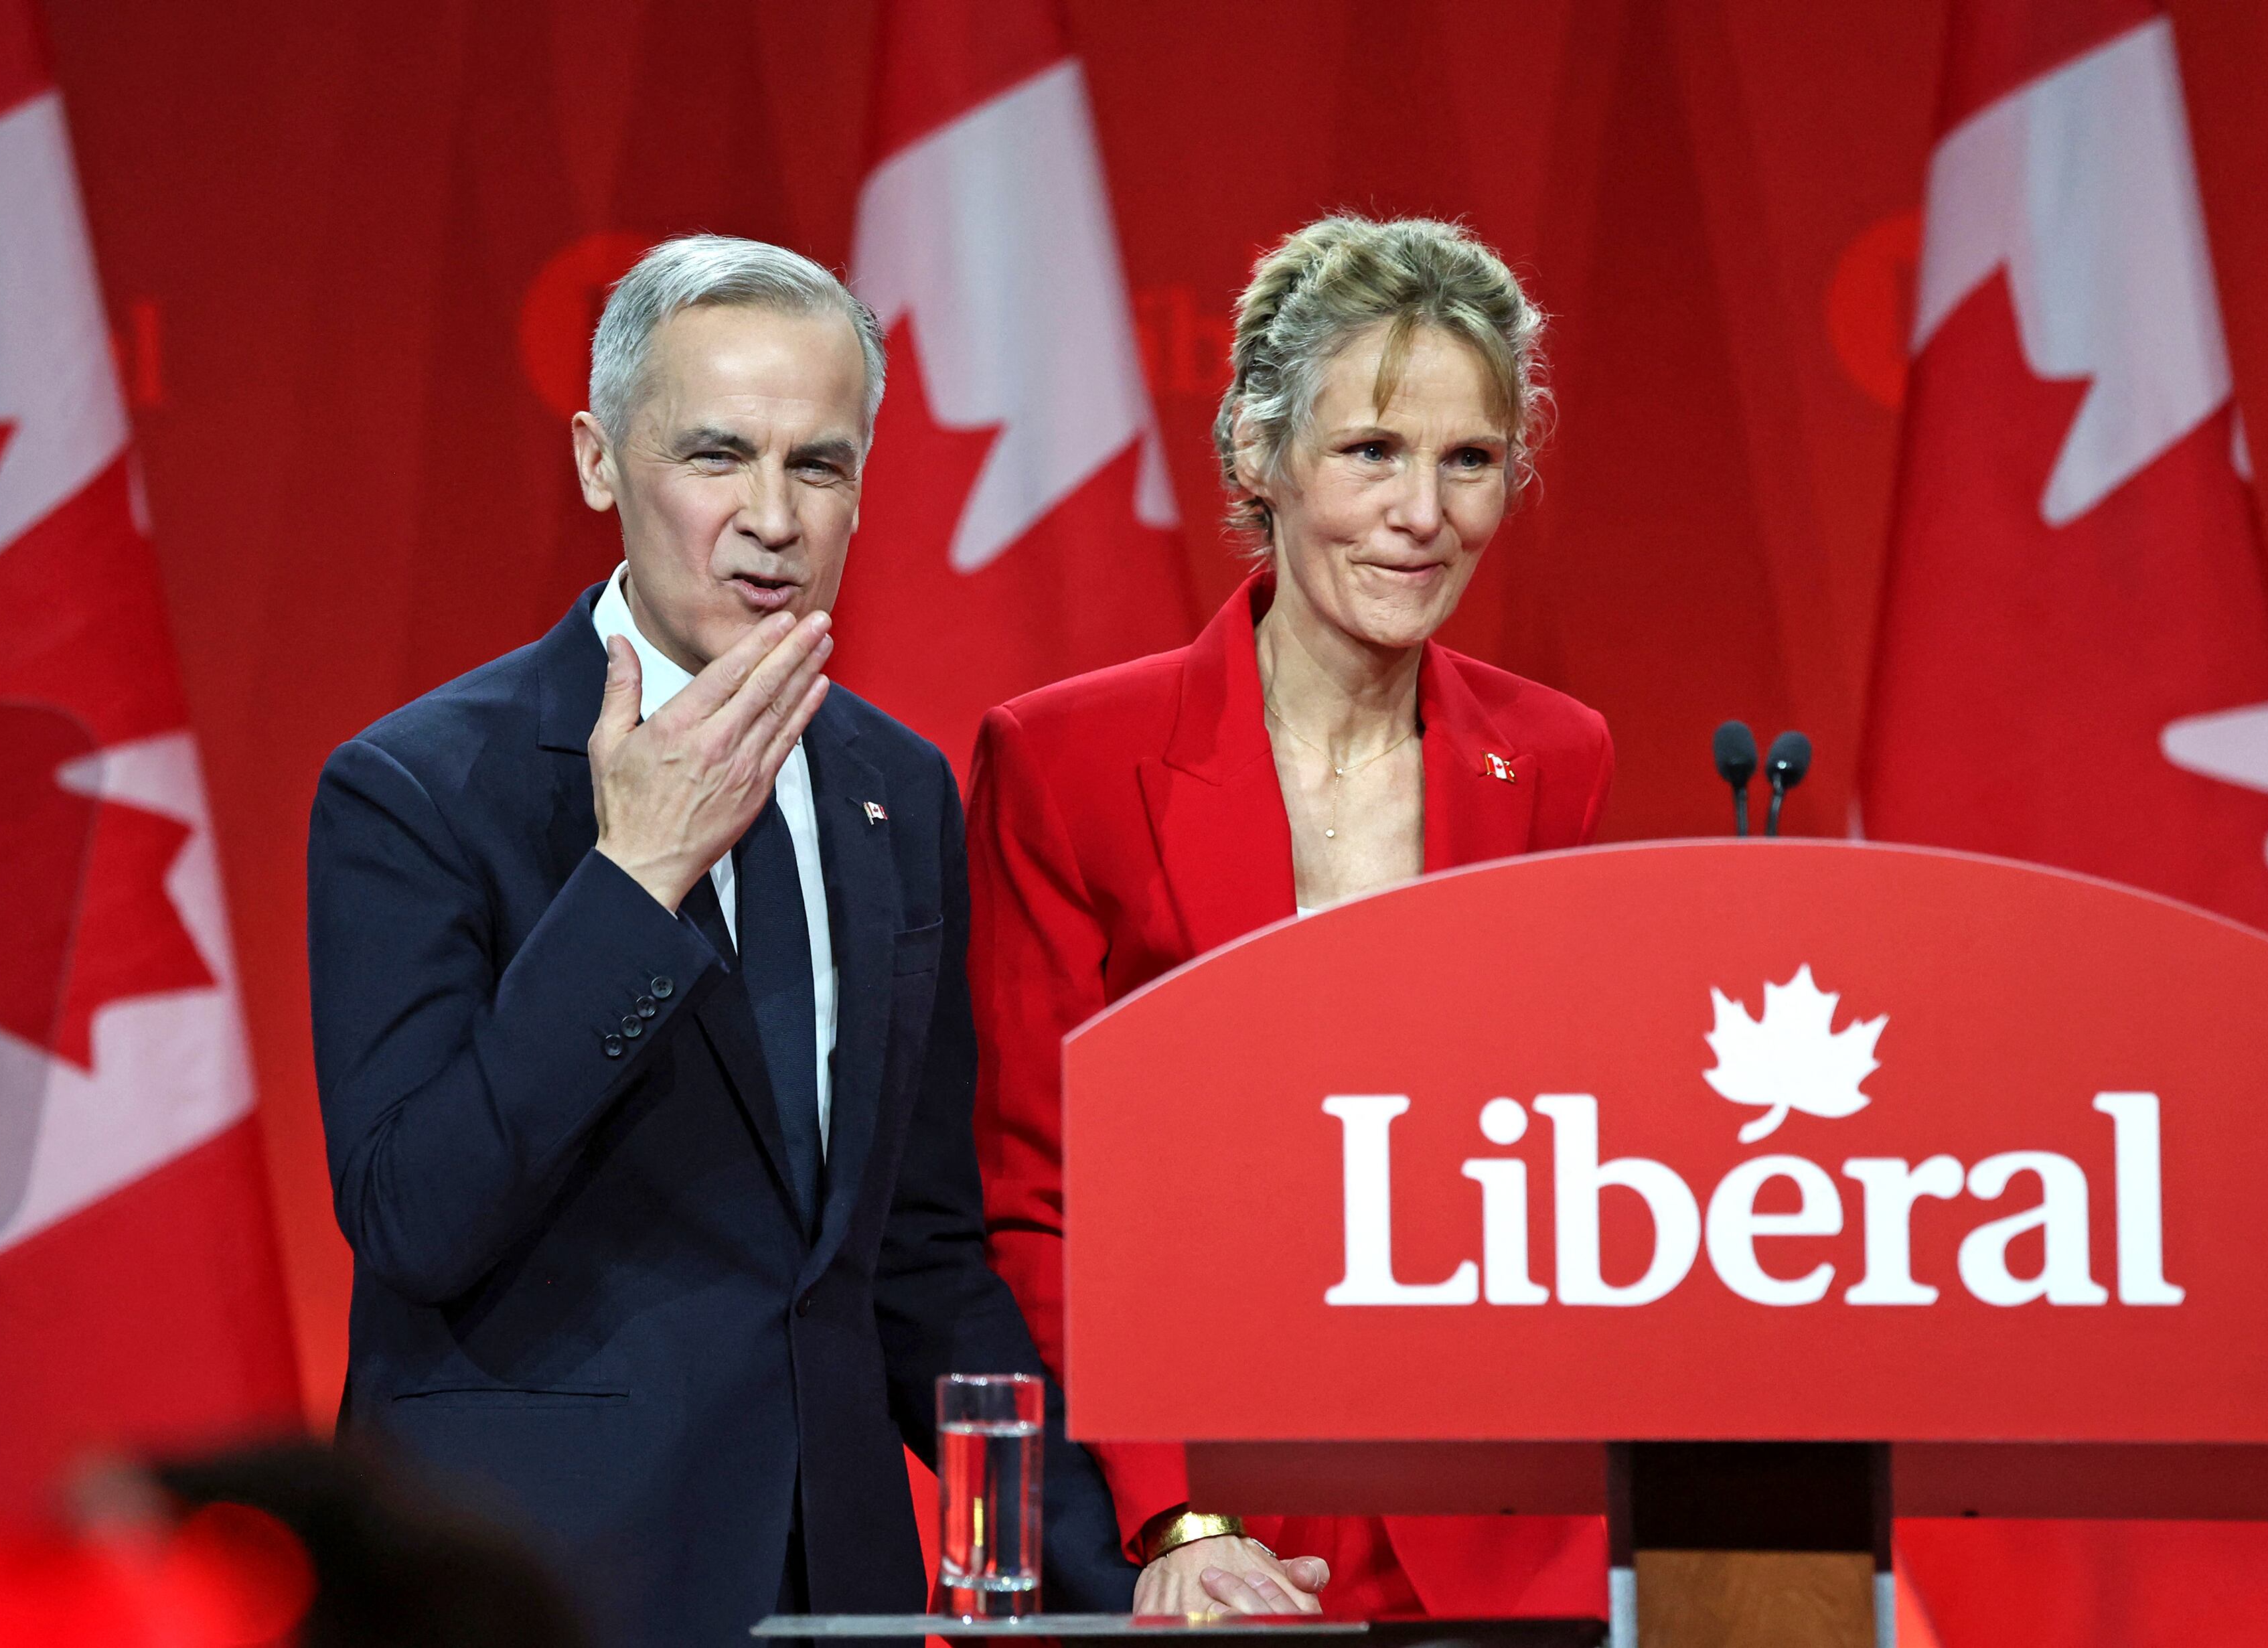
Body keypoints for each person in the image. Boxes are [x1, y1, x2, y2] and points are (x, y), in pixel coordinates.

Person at [305, 236, 1322, 1648]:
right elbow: (416, 1214)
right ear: (599, 461)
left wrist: (1154, 1552)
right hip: (527, 1588)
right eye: (717, 455)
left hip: (831, 1591)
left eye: (820, 465)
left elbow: (917, 1259)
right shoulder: (417, 788)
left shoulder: (895, 790)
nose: (773, 518)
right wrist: (634, 880)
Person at [967, 216, 1615, 1620]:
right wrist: (1177, 1513)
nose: (1423, 513)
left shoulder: (1556, 758)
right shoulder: (1068, 760)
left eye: (1469, 459)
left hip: (1496, 1519)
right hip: (1212, 1500)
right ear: (1258, 454)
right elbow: (1037, 1193)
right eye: (1371, 451)